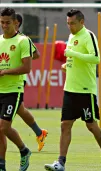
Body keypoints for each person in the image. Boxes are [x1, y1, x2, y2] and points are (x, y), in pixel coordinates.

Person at [44, 9, 101, 171]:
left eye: (73, 23)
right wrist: (67, 65)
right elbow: (74, 59)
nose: (70, 27)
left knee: (91, 126)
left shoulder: (88, 35)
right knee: (65, 125)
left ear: (82, 22)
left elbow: (95, 58)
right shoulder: (71, 36)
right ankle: (60, 163)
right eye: (68, 23)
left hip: (85, 90)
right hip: (70, 89)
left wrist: (73, 54)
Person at [0, 7, 32, 171]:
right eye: (2, 22)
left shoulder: (23, 41)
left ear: (15, 23)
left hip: (14, 89)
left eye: (7, 23)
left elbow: (27, 68)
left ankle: (24, 150)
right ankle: (1, 165)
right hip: (0, 89)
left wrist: (5, 71)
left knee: (4, 127)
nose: (4, 26)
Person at [15, 13, 48, 152]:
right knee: (20, 110)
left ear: (17, 23)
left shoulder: (23, 39)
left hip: (16, 80)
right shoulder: (4, 39)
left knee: (12, 112)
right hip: (5, 81)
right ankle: (40, 133)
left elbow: (36, 55)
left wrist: (22, 58)